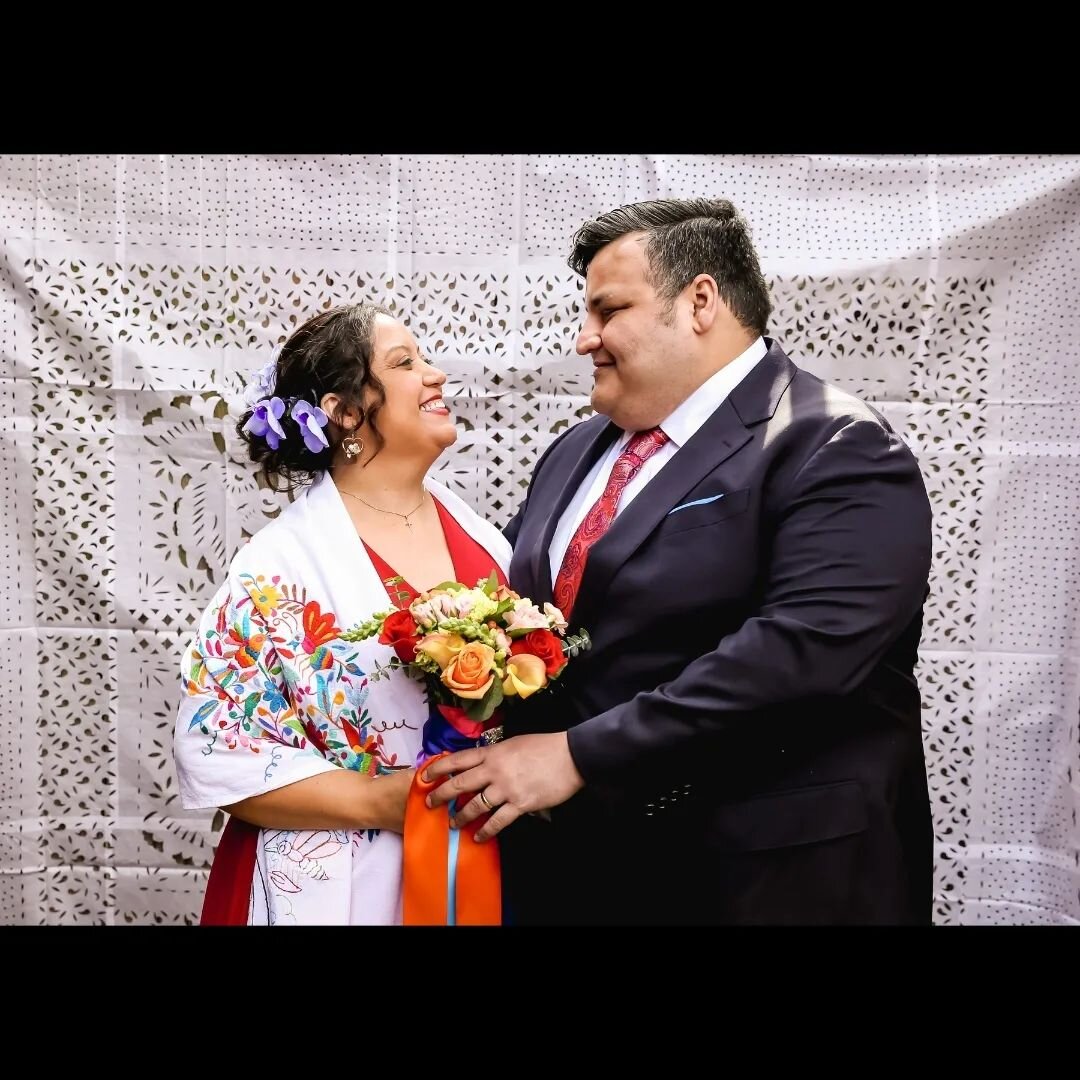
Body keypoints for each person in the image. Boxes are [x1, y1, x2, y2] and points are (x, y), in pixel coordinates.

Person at [426, 197, 935, 925]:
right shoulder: (578, 449)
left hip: (762, 878)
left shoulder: (833, 445)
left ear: (700, 301)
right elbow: (518, 620)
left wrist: (577, 756)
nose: (585, 338)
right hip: (578, 874)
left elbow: (801, 653)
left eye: (608, 310)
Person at [174, 302, 511, 925]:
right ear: (346, 412)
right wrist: (385, 801)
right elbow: (215, 745)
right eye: (406, 363)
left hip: (482, 861)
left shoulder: (485, 539)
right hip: (341, 878)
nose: (436, 375)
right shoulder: (279, 566)